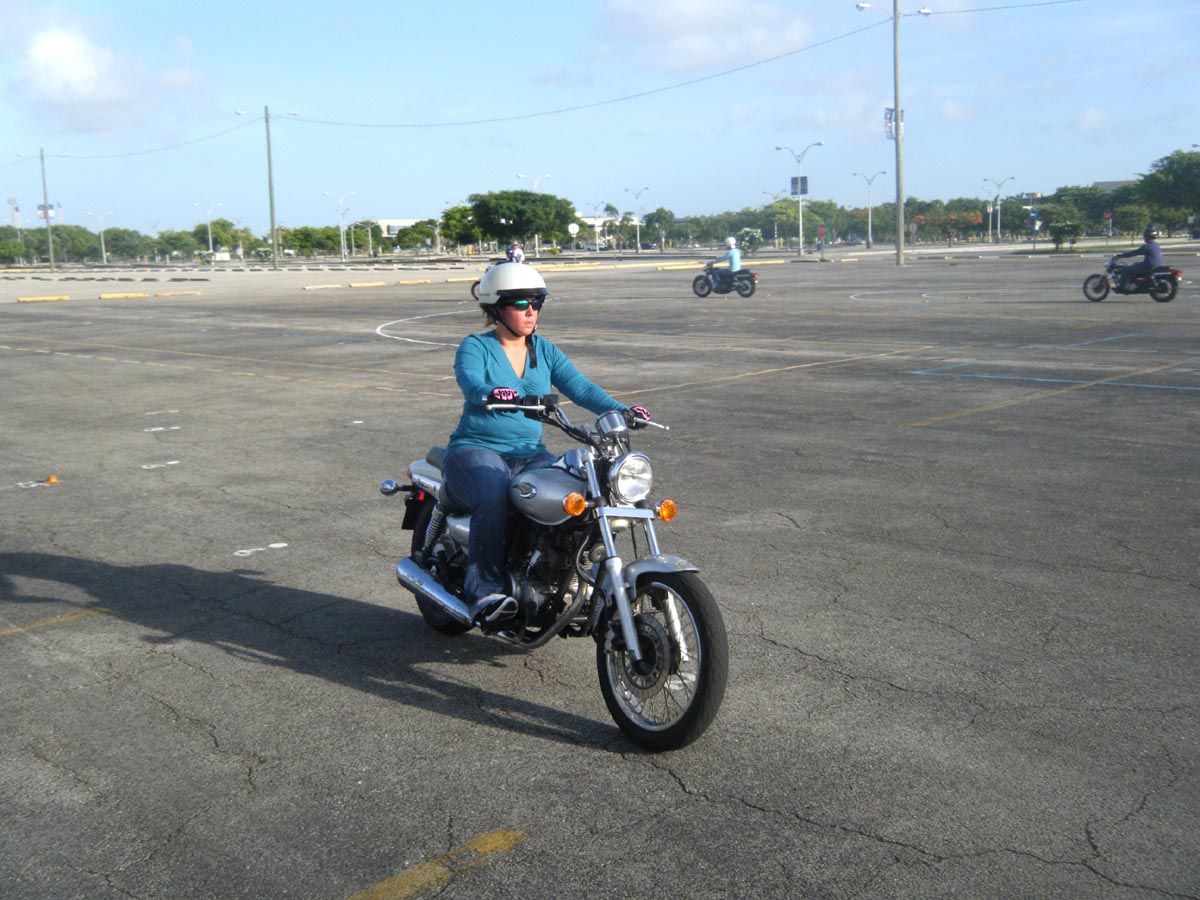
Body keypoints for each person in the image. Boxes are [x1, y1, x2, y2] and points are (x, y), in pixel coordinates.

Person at [441, 263, 650, 624]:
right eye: (521, 303)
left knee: (575, 495)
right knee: (492, 493)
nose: (531, 310)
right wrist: (491, 392)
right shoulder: (476, 346)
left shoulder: (545, 350)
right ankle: (484, 591)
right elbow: (470, 381)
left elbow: (581, 388)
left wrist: (622, 411)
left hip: (530, 454)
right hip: (476, 450)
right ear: (496, 308)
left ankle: (556, 578)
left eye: (537, 302)